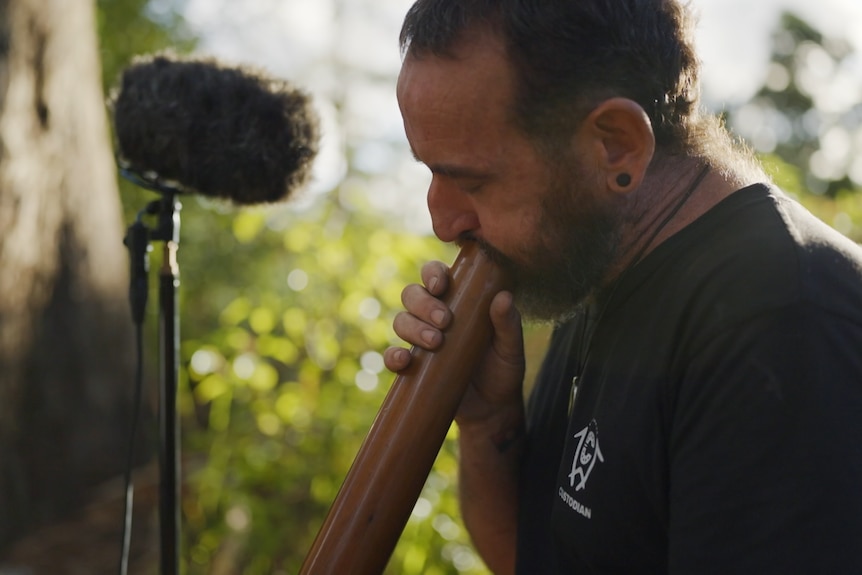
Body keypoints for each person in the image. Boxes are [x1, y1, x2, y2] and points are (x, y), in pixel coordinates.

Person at [382, 0, 862, 573]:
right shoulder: (600, 263)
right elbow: (532, 559)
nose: (443, 222)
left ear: (617, 145)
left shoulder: (784, 321)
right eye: (431, 171)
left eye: (473, 180)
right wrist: (489, 425)